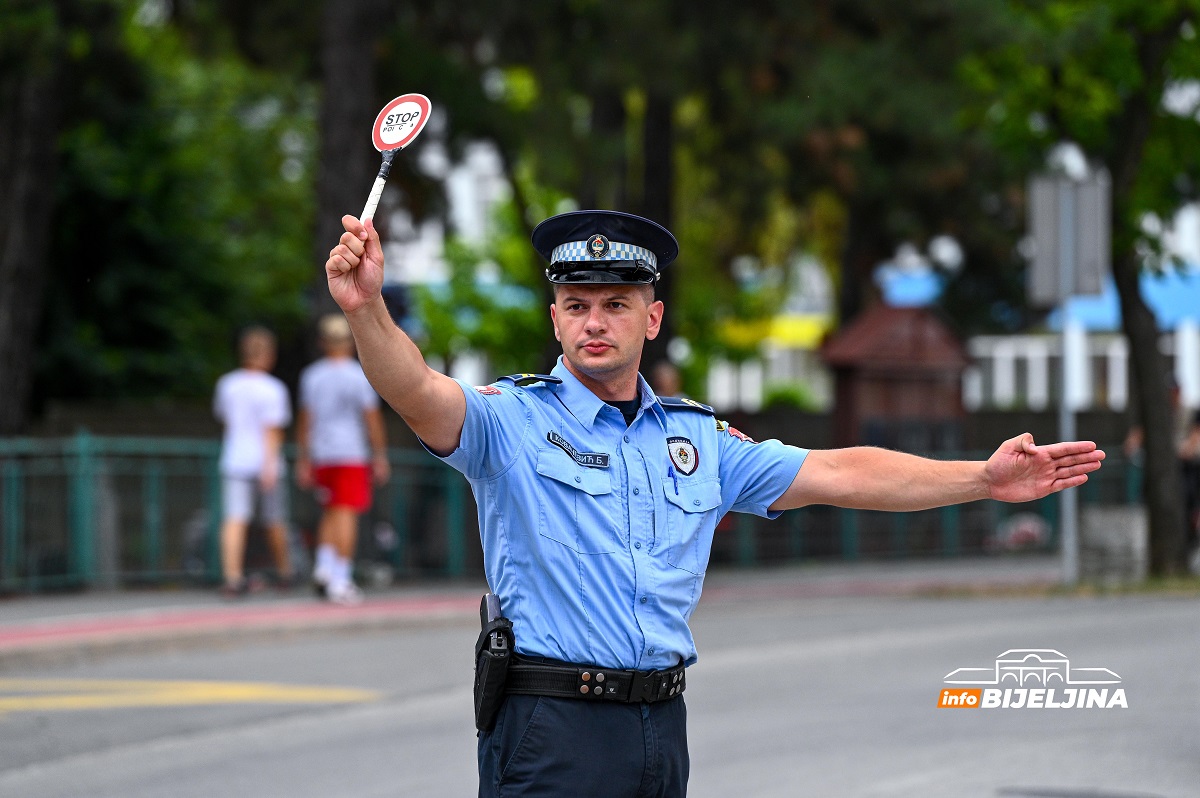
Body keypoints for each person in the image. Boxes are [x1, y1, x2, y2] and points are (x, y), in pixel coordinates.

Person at [325, 209, 1105, 797]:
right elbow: (415, 390)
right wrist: (366, 309)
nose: (594, 321)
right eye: (576, 303)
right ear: (555, 315)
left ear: (652, 317)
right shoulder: (509, 421)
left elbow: (841, 472)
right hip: (550, 726)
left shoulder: (696, 440)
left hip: (661, 724)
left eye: (616, 303)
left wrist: (982, 478)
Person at [295, 313, 391, 605]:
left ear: (324, 342)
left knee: (331, 510)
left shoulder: (312, 375)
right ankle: (341, 578)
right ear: (349, 342)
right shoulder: (358, 374)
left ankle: (324, 567)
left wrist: (303, 457)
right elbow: (371, 419)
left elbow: (305, 420)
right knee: (346, 512)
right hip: (351, 453)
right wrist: (379, 455)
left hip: (323, 453)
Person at [213, 326, 295, 597]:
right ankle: (285, 572)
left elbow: (224, 418)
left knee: (235, 519)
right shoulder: (273, 389)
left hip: (235, 459)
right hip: (265, 463)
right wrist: (270, 465)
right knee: (274, 520)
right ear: (269, 355)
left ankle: (232, 576)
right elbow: (272, 431)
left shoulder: (227, 384)